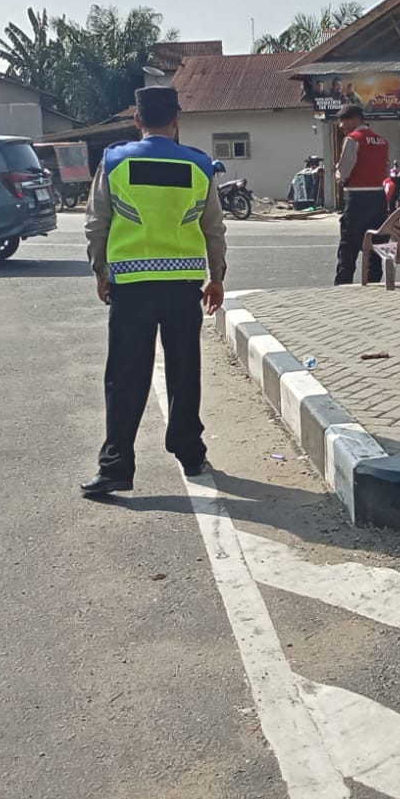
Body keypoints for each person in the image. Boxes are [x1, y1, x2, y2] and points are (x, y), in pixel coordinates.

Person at [81, 85, 227, 497]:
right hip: (183, 288)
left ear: (137, 120)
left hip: (131, 289)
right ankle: (190, 452)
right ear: (176, 121)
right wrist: (216, 276)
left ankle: (116, 466)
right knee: (185, 371)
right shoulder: (199, 165)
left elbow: (96, 223)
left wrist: (101, 271)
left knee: (125, 376)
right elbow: (213, 228)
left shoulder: (115, 161)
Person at [329, 104, 391, 285]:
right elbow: (386, 169)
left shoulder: (352, 139)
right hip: (378, 198)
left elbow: (345, 170)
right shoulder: (382, 141)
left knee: (349, 245)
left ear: (355, 119)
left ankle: (343, 284)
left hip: (356, 199)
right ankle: (374, 283)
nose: (341, 125)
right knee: (376, 243)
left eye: (343, 120)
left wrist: (338, 174)